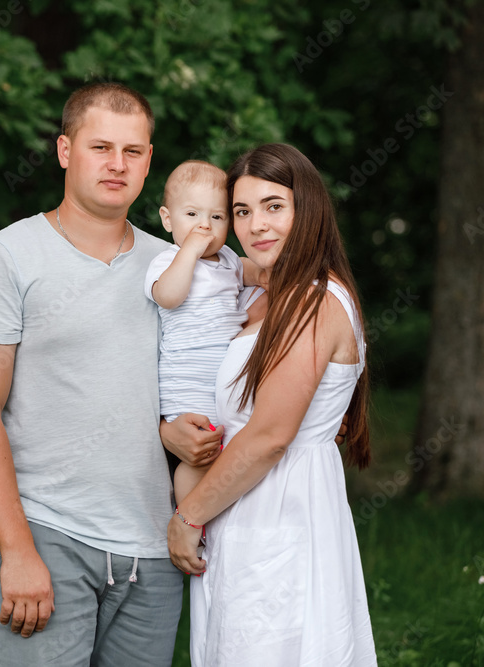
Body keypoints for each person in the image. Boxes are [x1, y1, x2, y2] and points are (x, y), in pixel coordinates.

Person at [0, 82, 222, 667]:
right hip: (49, 536)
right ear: (65, 151)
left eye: (133, 151)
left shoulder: (173, 265)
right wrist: (16, 549)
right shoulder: (8, 257)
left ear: (150, 160)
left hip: (154, 549)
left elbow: (173, 381)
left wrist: (171, 431)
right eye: (101, 147)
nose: (117, 165)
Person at [164, 143, 378, 665]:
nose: (256, 224)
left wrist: (188, 517)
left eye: (273, 206)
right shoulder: (262, 293)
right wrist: (170, 430)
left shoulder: (313, 300)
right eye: (241, 211)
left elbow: (269, 436)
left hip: (283, 510)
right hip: (239, 508)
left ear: (307, 208)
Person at [144, 159, 252, 504]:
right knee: (199, 458)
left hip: (223, 380)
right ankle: (188, 520)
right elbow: (169, 297)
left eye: (217, 217)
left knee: (228, 454)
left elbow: (254, 274)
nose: (204, 226)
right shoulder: (168, 260)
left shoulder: (230, 260)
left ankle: (214, 528)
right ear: (167, 219)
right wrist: (189, 252)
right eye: (192, 215)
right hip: (187, 387)